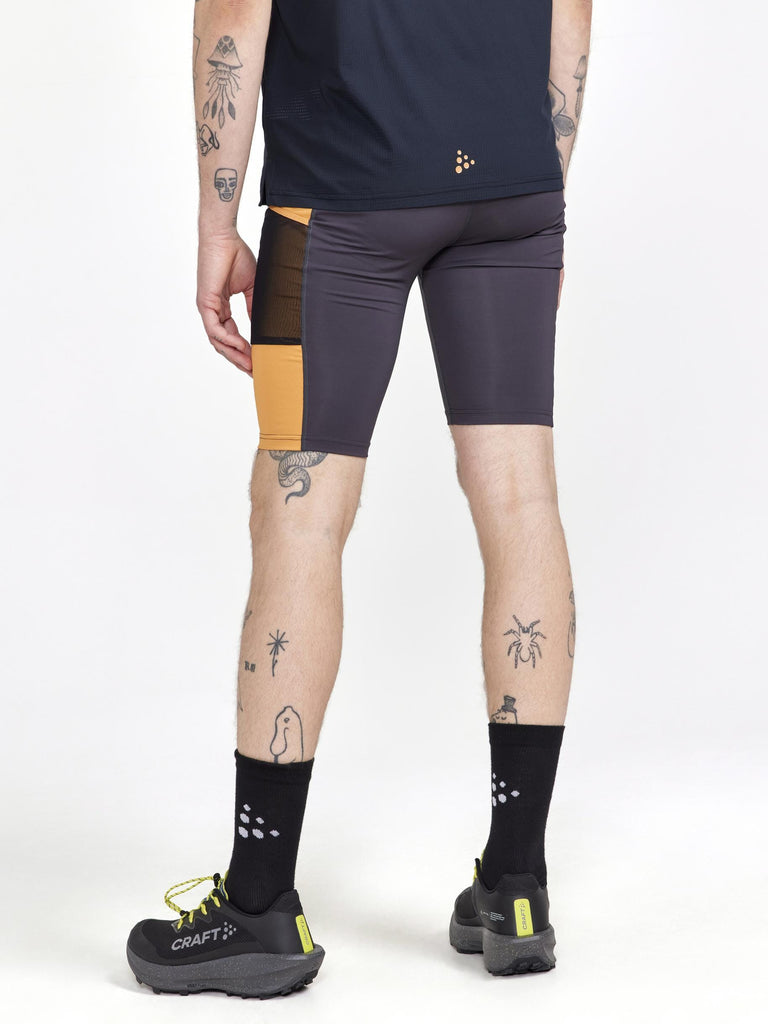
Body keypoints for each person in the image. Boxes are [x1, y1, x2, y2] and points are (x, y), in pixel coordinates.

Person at [126, 0, 592, 998]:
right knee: (522, 499)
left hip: (341, 194)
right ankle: (516, 887)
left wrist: (215, 224)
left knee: (299, 510)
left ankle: (259, 903)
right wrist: (543, 188)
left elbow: (234, 15)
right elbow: (573, 11)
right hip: (513, 187)